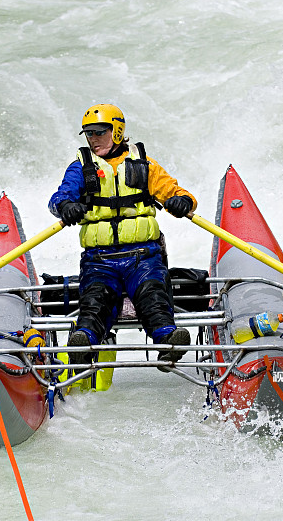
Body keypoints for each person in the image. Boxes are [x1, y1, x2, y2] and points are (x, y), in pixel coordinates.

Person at [48, 103, 197, 371]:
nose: (93, 139)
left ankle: (168, 342)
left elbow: (174, 191)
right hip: (99, 260)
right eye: (88, 134)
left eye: (99, 132)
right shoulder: (80, 168)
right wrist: (65, 206)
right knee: (95, 300)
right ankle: (84, 342)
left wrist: (182, 202)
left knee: (153, 294)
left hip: (144, 256)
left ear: (117, 132)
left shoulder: (144, 165)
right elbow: (59, 198)